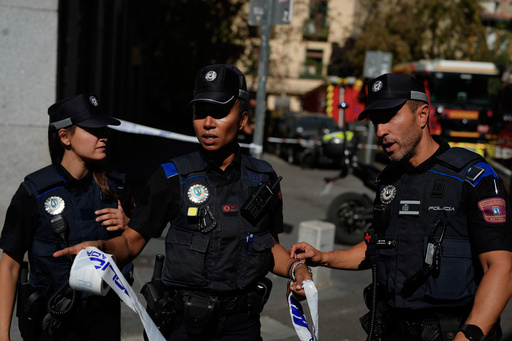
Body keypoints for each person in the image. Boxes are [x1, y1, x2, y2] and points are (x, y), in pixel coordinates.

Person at [54, 64, 313, 341]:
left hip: (242, 326)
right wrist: (102, 249)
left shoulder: (263, 178)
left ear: (242, 119)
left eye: (220, 112)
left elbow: (269, 245)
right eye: (200, 113)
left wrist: (296, 269)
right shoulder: (171, 176)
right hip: (183, 327)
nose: (208, 123)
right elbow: (131, 242)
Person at [290, 73, 512, 341]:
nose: (381, 130)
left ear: (422, 115)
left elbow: (501, 268)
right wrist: (323, 257)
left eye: (390, 117)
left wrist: (468, 336)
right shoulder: (389, 180)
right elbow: (376, 249)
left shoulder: (473, 178)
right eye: (376, 122)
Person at [0, 93, 132, 341]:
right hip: (51, 318)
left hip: (102, 316)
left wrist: (129, 225)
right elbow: (9, 265)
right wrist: (2, 333)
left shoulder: (117, 189)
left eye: (103, 128)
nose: (103, 136)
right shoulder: (34, 191)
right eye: (92, 130)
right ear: (64, 136)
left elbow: (135, 242)